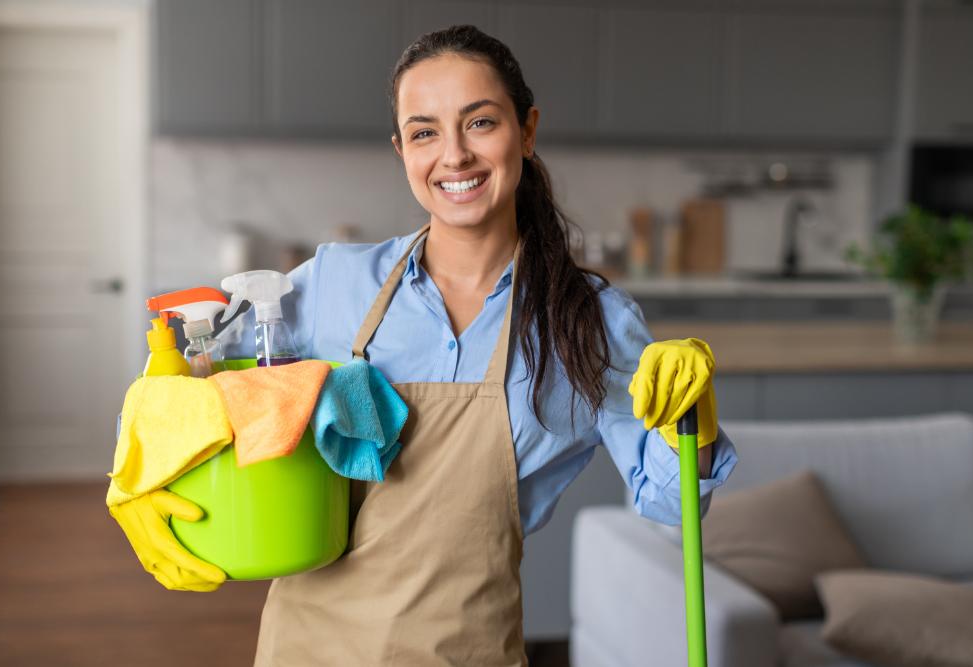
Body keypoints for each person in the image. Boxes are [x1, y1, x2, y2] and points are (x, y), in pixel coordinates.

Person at [194, 24, 738, 665]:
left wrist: (693, 416)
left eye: (480, 123)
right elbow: (200, 389)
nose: (453, 155)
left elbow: (673, 502)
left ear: (526, 131)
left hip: (469, 650)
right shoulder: (333, 284)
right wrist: (153, 468)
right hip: (310, 645)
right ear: (402, 151)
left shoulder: (588, 323)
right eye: (425, 132)